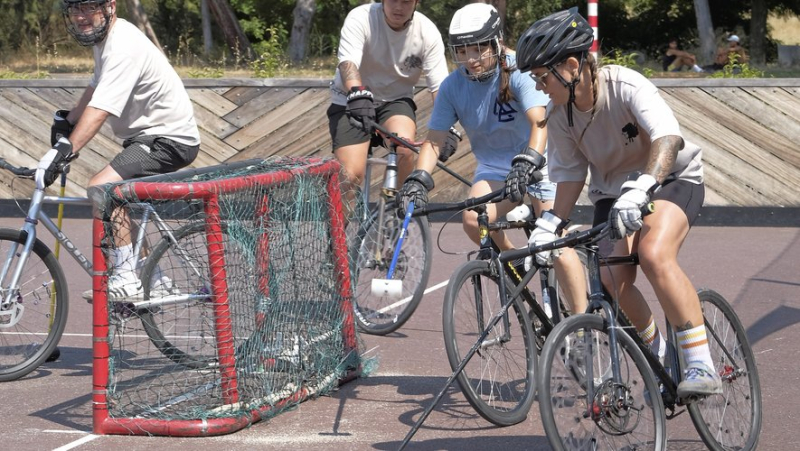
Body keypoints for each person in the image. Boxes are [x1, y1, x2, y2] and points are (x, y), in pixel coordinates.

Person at [515, 8, 720, 398]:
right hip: (613, 194)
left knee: (654, 254)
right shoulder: (560, 115)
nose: (540, 87)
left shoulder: (626, 85)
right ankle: (660, 356)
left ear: (572, 66)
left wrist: (643, 186)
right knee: (611, 280)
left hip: (669, 179)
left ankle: (699, 361)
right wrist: (550, 223)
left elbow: (666, 138)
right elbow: (572, 174)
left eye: (543, 77)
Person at [397, 3, 587, 313]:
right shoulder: (452, 86)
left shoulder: (520, 70)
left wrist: (528, 161)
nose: (470, 59)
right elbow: (434, 140)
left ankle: (581, 326)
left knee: (556, 243)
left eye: (478, 48)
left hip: (542, 162)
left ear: (496, 42)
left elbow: (539, 121)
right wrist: (419, 179)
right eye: (462, 50)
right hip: (495, 168)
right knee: (473, 220)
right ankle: (517, 267)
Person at [39, 0, 200, 308]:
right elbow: (96, 88)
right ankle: (156, 280)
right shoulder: (106, 41)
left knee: (102, 187)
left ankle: (127, 280)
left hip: (169, 139)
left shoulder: (123, 45)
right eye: (75, 9)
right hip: (146, 138)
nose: (82, 16)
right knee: (117, 199)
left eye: (89, 7)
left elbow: (101, 109)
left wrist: (66, 149)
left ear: (110, 6)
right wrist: (68, 119)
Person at [327, 0, 449, 211]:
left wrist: (448, 127)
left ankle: (391, 214)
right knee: (350, 175)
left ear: (416, 2)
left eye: (406, 1)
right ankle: (337, 241)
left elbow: (439, 87)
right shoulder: (360, 17)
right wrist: (357, 93)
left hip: (395, 101)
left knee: (404, 149)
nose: (398, 7)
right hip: (352, 99)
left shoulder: (427, 31)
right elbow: (348, 63)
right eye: (393, 0)